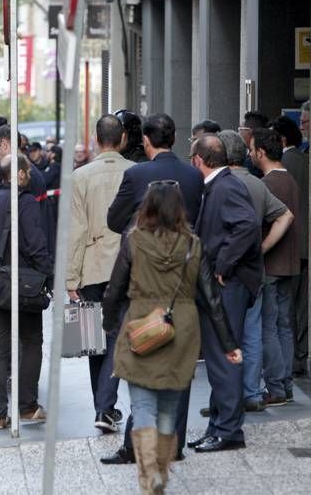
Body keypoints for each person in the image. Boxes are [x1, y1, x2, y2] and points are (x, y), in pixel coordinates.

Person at [103, 181, 240, 494]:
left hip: (141, 325)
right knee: (168, 408)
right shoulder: (193, 245)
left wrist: (110, 321)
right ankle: (161, 471)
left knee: (142, 406)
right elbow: (212, 298)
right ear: (180, 209)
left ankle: (148, 472)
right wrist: (229, 344)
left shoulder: (133, 240)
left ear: (147, 206)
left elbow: (114, 289)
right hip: (181, 331)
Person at [102, 113, 203, 466]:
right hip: (184, 281)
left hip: (146, 286)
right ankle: (173, 444)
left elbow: (114, 220)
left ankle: (138, 449)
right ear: (174, 139)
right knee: (178, 371)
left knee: (143, 371)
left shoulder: (136, 174)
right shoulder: (194, 175)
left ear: (145, 141)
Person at [187, 135, 262, 453]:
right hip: (224, 283)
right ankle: (218, 426)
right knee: (220, 356)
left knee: (224, 355)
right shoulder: (220, 185)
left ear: (197, 161)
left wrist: (223, 265)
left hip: (228, 284)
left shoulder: (226, 186)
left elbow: (247, 225)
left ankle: (229, 430)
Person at [0, 154, 53, 429]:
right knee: (31, 342)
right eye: (27, 170)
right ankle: (27, 407)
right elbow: (36, 245)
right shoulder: (26, 202)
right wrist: (49, 276)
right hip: (22, 287)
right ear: (18, 174)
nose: (30, 174)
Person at [66, 114, 134, 434]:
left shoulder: (79, 177)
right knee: (117, 335)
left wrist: (70, 279)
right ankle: (104, 407)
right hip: (127, 264)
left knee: (94, 340)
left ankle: (103, 406)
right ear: (122, 139)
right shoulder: (135, 172)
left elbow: (75, 231)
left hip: (91, 267)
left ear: (96, 139)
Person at [216, 130, 292, 413]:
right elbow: (285, 215)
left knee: (224, 334)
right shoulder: (258, 185)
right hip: (254, 271)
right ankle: (251, 392)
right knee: (253, 333)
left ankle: (226, 396)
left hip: (226, 271)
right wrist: (262, 248)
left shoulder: (218, 184)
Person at [251, 128, 301, 405]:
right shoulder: (291, 180)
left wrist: (261, 248)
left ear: (260, 152)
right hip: (291, 264)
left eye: (252, 149)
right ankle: (287, 384)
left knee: (268, 328)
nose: (250, 154)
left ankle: (277, 388)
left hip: (270, 265)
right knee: (285, 326)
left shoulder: (266, 184)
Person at [271, 115, 310, 376]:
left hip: (289, 245)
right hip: (308, 243)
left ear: (281, 139)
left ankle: (292, 362)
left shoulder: (283, 166)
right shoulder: (306, 160)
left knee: (286, 311)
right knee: (303, 307)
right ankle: (303, 354)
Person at [238, 111, 268, 178]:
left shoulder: (254, 159)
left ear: (250, 131)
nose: (239, 133)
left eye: (240, 129)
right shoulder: (264, 152)